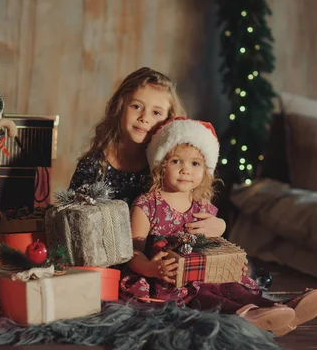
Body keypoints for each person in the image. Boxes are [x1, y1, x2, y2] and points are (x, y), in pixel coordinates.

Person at [120, 118, 317, 335]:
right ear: (161, 165)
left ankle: (277, 308)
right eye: (176, 161)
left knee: (231, 283)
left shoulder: (201, 205)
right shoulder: (148, 204)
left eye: (195, 164)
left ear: (206, 171)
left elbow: (215, 242)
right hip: (169, 279)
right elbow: (133, 251)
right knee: (203, 294)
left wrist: (221, 230)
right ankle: (245, 315)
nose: (185, 170)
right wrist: (151, 268)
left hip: (205, 270)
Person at [69, 67, 225, 236]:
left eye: (156, 112)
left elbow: (193, 207)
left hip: (159, 257)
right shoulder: (94, 166)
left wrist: (221, 225)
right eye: (136, 106)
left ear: (169, 121)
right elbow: (71, 220)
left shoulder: (169, 166)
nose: (144, 117)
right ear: (120, 108)